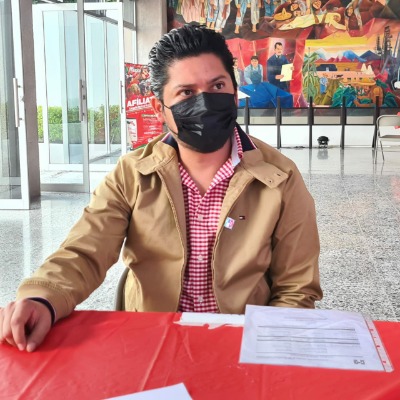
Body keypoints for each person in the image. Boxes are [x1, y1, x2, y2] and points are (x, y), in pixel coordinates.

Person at [0, 24, 322, 353]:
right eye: (186, 93)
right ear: (159, 109)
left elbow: (296, 286)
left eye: (217, 86)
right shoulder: (132, 174)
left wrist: (267, 349)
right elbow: (85, 252)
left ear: (234, 91)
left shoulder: (280, 176)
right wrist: (42, 298)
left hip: (240, 342)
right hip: (151, 342)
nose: (205, 102)